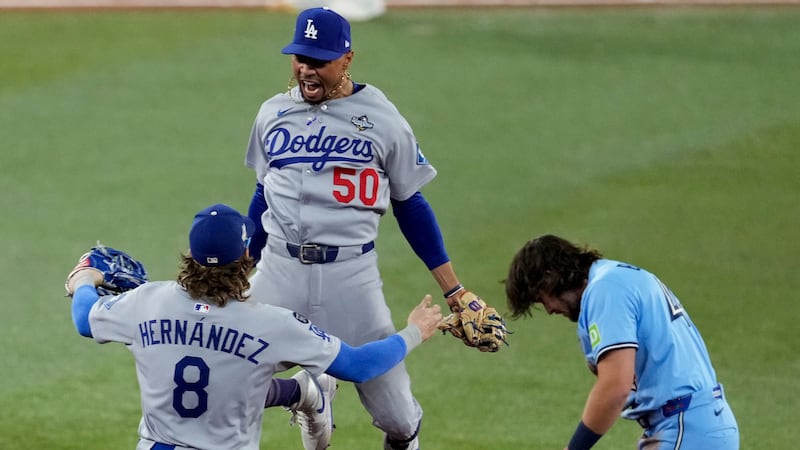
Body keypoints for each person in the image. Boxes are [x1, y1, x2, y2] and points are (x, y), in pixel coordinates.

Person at [242, 7, 487, 450]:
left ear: (348, 59)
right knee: (228, 375)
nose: (306, 69)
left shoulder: (383, 119)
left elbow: (410, 204)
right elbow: (262, 197)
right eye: (300, 58)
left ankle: (337, 401)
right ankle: (307, 393)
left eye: (318, 60)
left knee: (397, 419)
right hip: (279, 269)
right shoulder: (271, 114)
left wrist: (455, 290)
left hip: (350, 278)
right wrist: (239, 270)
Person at [64, 203, 443, 450]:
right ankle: (301, 392)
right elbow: (360, 366)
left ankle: (300, 393)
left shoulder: (146, 302)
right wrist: (414, 331)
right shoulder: (271, 324)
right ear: (247, 256)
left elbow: (85, 319)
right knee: (236, 373)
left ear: (191, 256)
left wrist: (85, 278)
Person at [504, 234, 740, 450]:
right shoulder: (615, 277)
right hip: (696, 423)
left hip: (685, 427)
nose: (548, 309)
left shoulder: (604, 290)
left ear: (550, 277)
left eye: (541, 299)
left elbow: (616, 386)